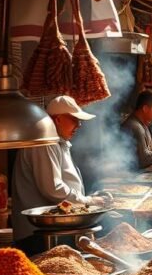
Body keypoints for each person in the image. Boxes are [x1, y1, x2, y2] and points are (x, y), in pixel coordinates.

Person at [13, 96, 110, 245]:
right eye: (74, 119)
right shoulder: (45, 142)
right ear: (57, 119)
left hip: (52, 230)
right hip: (37, 235)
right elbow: (53, 189)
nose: (79, 125)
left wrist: (86, 200)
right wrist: (87, 202)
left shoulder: (58, 141)